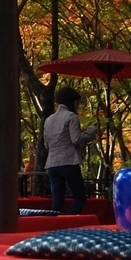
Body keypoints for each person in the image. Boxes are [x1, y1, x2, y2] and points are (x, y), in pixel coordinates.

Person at [42, 86, 99, 214]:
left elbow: (46, 145)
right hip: (69, 162)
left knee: (57, 202)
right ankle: (67, 222)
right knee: (80, 198)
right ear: (71, 101)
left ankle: (56, 227)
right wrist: (90, 133)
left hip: (52, 164)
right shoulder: (71, 117)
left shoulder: (48, 120)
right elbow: (76, 139)